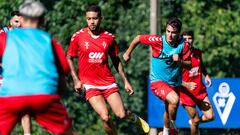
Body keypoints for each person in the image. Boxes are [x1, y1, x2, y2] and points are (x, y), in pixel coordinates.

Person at [66, 5, 149, 135]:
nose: (92, 22)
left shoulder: (109, 37)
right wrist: (76, 80)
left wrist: (126, 81)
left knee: (121, 115)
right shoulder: (78, 36)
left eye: (95, 18)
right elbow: (69, 57)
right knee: (105, 117)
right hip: (90, 84)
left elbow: (116, 60)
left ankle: (133, 117)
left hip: (108, 82)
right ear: (86, 19)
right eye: (89, 19)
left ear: (101, 19)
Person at [0, 1, 76, 135]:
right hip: (43, 95)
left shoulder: (6, 38)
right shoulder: (47, 40)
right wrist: (57, 97)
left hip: (11, 95)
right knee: (68, 132)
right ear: (42, 20)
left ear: (22, 19)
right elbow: (63, 70)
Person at [123, 17, 191, 135]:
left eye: (173, 32)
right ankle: (174, 128)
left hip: (174, 83)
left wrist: (180, 61)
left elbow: (189, 65)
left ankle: (165, 132)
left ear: (179, 33)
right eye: (168, 31)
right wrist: (128, 53)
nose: (170, 35)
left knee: (169, 108)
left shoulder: (184, 45)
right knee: (174, 100)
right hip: (157, 82)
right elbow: (138, 38)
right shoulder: (158, 40)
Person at [0, 10, 31, 135]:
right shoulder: (2, 35)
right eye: (16, 22)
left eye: (21, 22)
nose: (19, 25)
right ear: (10, 22)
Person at [179, 30, 214, 135]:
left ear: (192, 39)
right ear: (181, 40)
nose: (187, 41)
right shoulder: (178, 56)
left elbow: (201, 65)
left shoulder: (197, 52)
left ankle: (193, 122)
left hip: (199, 91)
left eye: (189, 38)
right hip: (186, 93)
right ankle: (194, 122)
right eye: (184, 39)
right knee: (195, 121)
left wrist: (206, 75)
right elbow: (172, 77)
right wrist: (186, 84)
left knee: (210, 117)